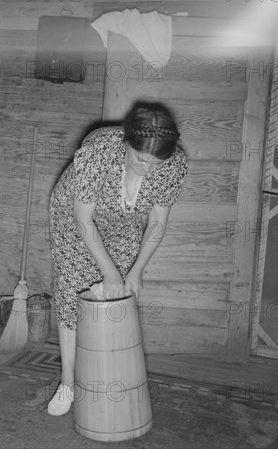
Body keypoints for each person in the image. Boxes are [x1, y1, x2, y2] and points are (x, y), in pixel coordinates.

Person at [47, 101, 188, 416]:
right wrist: (108, 271)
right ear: (127, 143)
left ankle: (107, 377)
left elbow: (157, 223)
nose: (148, 169)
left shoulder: (174, 164)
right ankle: (68, 383)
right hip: (74, 221)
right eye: (141, 159)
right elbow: (83, 220)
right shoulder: (98, 153)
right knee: (72, 296)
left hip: (124, 222)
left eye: (157, 163)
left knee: (119, 295)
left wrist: (136, 270)